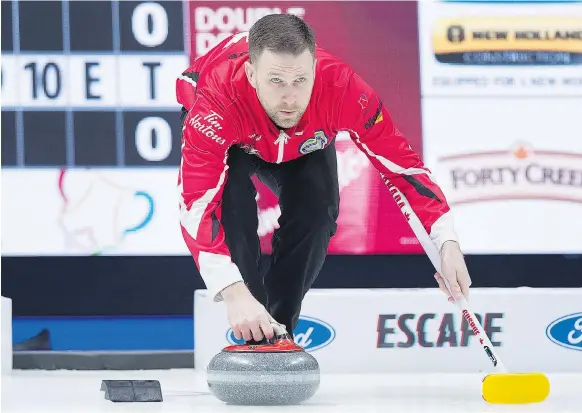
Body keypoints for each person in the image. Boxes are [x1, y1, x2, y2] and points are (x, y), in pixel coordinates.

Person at [176, 14, 471, 344]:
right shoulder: (217, 98)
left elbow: (404, 169)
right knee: (232, 212)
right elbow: (196, 204)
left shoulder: (344, 89)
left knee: (318, 212)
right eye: (276, 81)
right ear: (251, 74)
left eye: (300, 80)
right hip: (236, 132)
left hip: (305, 138)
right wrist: (231, 289)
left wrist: (447, 242)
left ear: (315, 70)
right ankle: (252, 327)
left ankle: (278, 335)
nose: (289, 98)